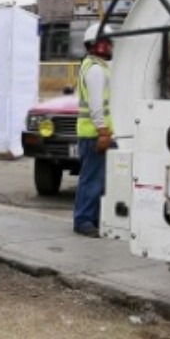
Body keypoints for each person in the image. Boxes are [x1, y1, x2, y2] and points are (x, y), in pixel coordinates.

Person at [73, 22, 112, 238]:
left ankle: (92, 218)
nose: (110, 47)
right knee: (92, 179)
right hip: (94, 134)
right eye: (107, 43)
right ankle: (84, 220)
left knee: (97, 179)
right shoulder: (95, 69)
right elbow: (96, 104)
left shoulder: (96, 66)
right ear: (97, 45)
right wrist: (103, 131)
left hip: (94, 133)